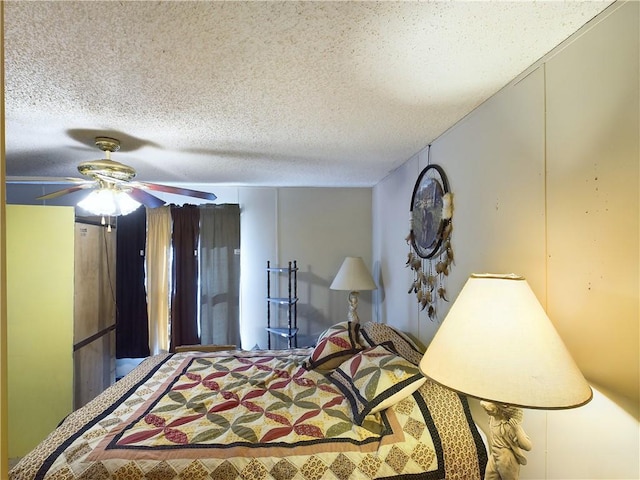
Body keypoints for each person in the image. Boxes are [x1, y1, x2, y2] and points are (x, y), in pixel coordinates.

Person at [480, 401, 533, 480]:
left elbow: (528, 446)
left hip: (506, 459)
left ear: (500, 410)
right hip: (494, 455)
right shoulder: (492, 419)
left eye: (490, 411)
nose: (487, 412)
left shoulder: (509, 426)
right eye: (486, 410)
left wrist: (517, 430)